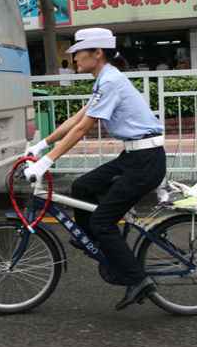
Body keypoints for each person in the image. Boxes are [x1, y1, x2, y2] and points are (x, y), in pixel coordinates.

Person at [24, 28, 166, 311]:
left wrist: (45, 162)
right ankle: (92, 240)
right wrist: (39, 146)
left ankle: (138, 280)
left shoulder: (111, 81)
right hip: (134, 156)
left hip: (144, 162)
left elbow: (82, 130)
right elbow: (76, 119)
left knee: (102, 222)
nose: (74, 58)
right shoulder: (105, 79)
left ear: (97, 53)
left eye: (78, 52)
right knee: (82, 187)